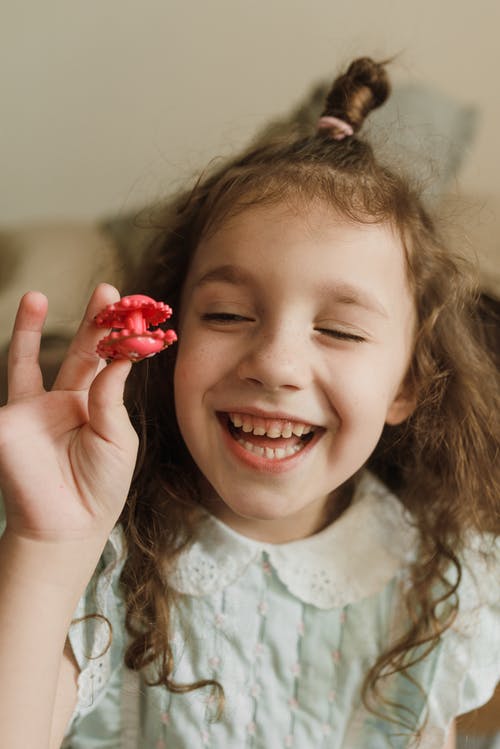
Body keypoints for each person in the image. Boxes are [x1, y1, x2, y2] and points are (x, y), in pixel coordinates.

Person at [0, 57, 498, 749]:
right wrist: (46, 543)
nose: (275, 362)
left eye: (340, 328)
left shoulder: (440, 588)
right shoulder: (104, 561)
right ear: (171, 341)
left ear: (408, 383)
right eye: (229, 315)